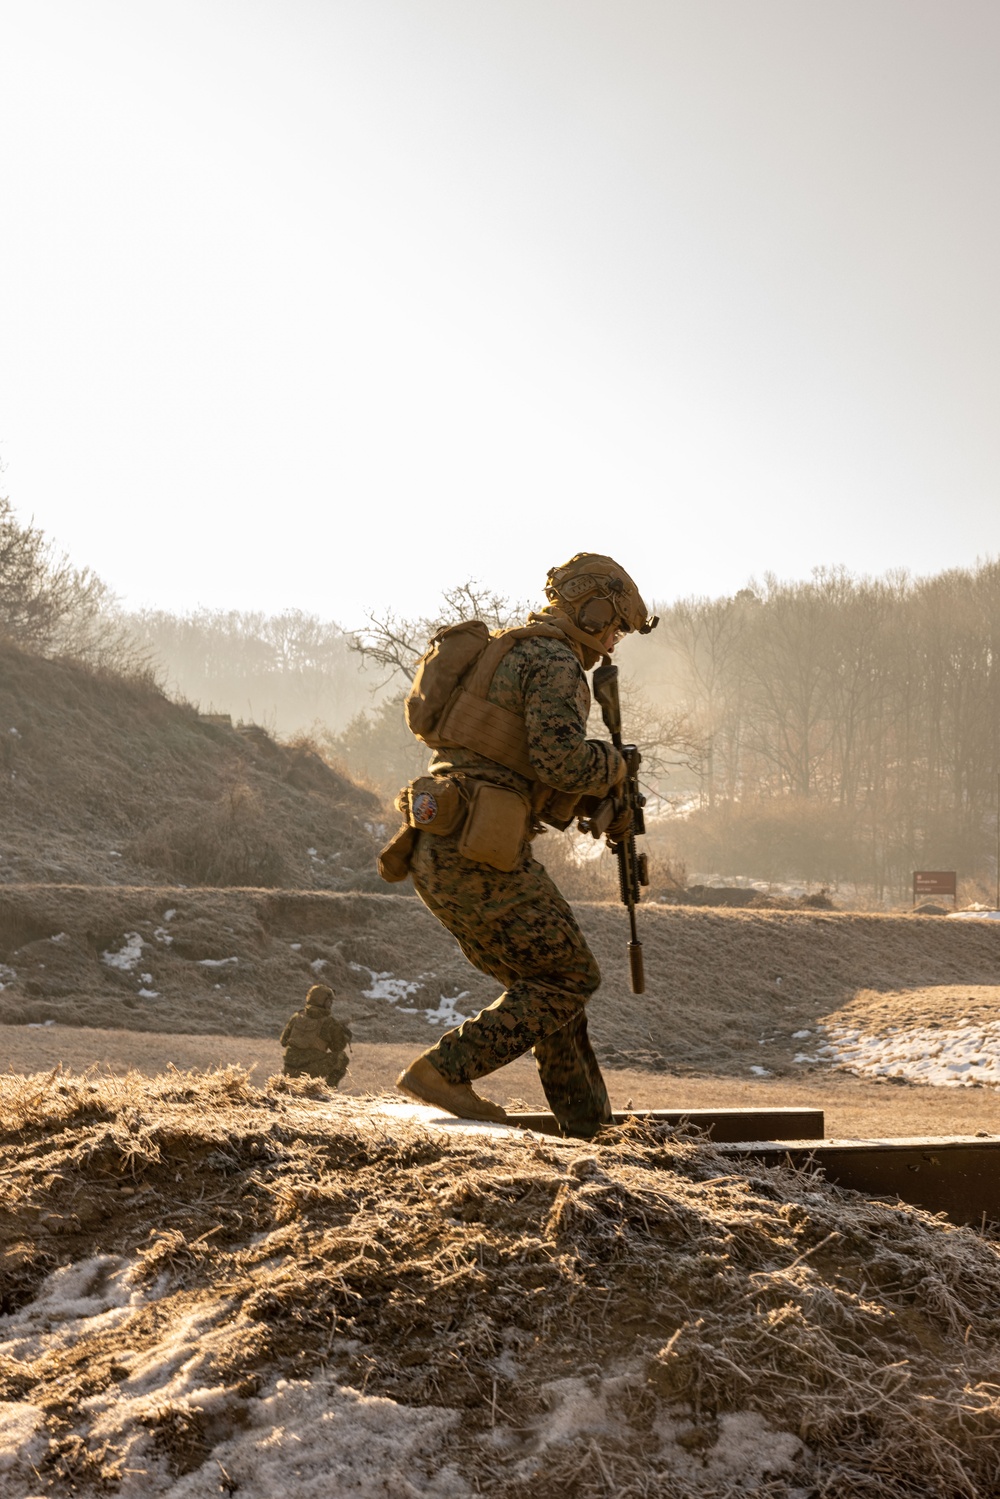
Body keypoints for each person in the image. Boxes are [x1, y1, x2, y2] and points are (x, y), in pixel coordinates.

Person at [395, 552, 656, 1138]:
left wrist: (599, 796)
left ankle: (591, 1130)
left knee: (549, 988)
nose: (613, 644)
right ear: (589, 611)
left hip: (445, 844)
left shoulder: (517, 649)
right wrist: (617, 766)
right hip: (478, 849)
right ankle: (444, 1069)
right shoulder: (556, 662)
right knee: (569, 978)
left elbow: (519, 763)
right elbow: (560, 759)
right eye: (614, 627)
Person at [280, 983, 351, 1086]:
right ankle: (328, 1090)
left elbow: (283, 1041)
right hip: (310, 1070)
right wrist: (343, 1032)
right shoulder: (329, 1022)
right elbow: (338, 1047)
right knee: (342, 1058)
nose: (331, 1004)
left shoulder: (297, 1017)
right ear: (323, 1002)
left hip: (289, 1069)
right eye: (329, 1001)